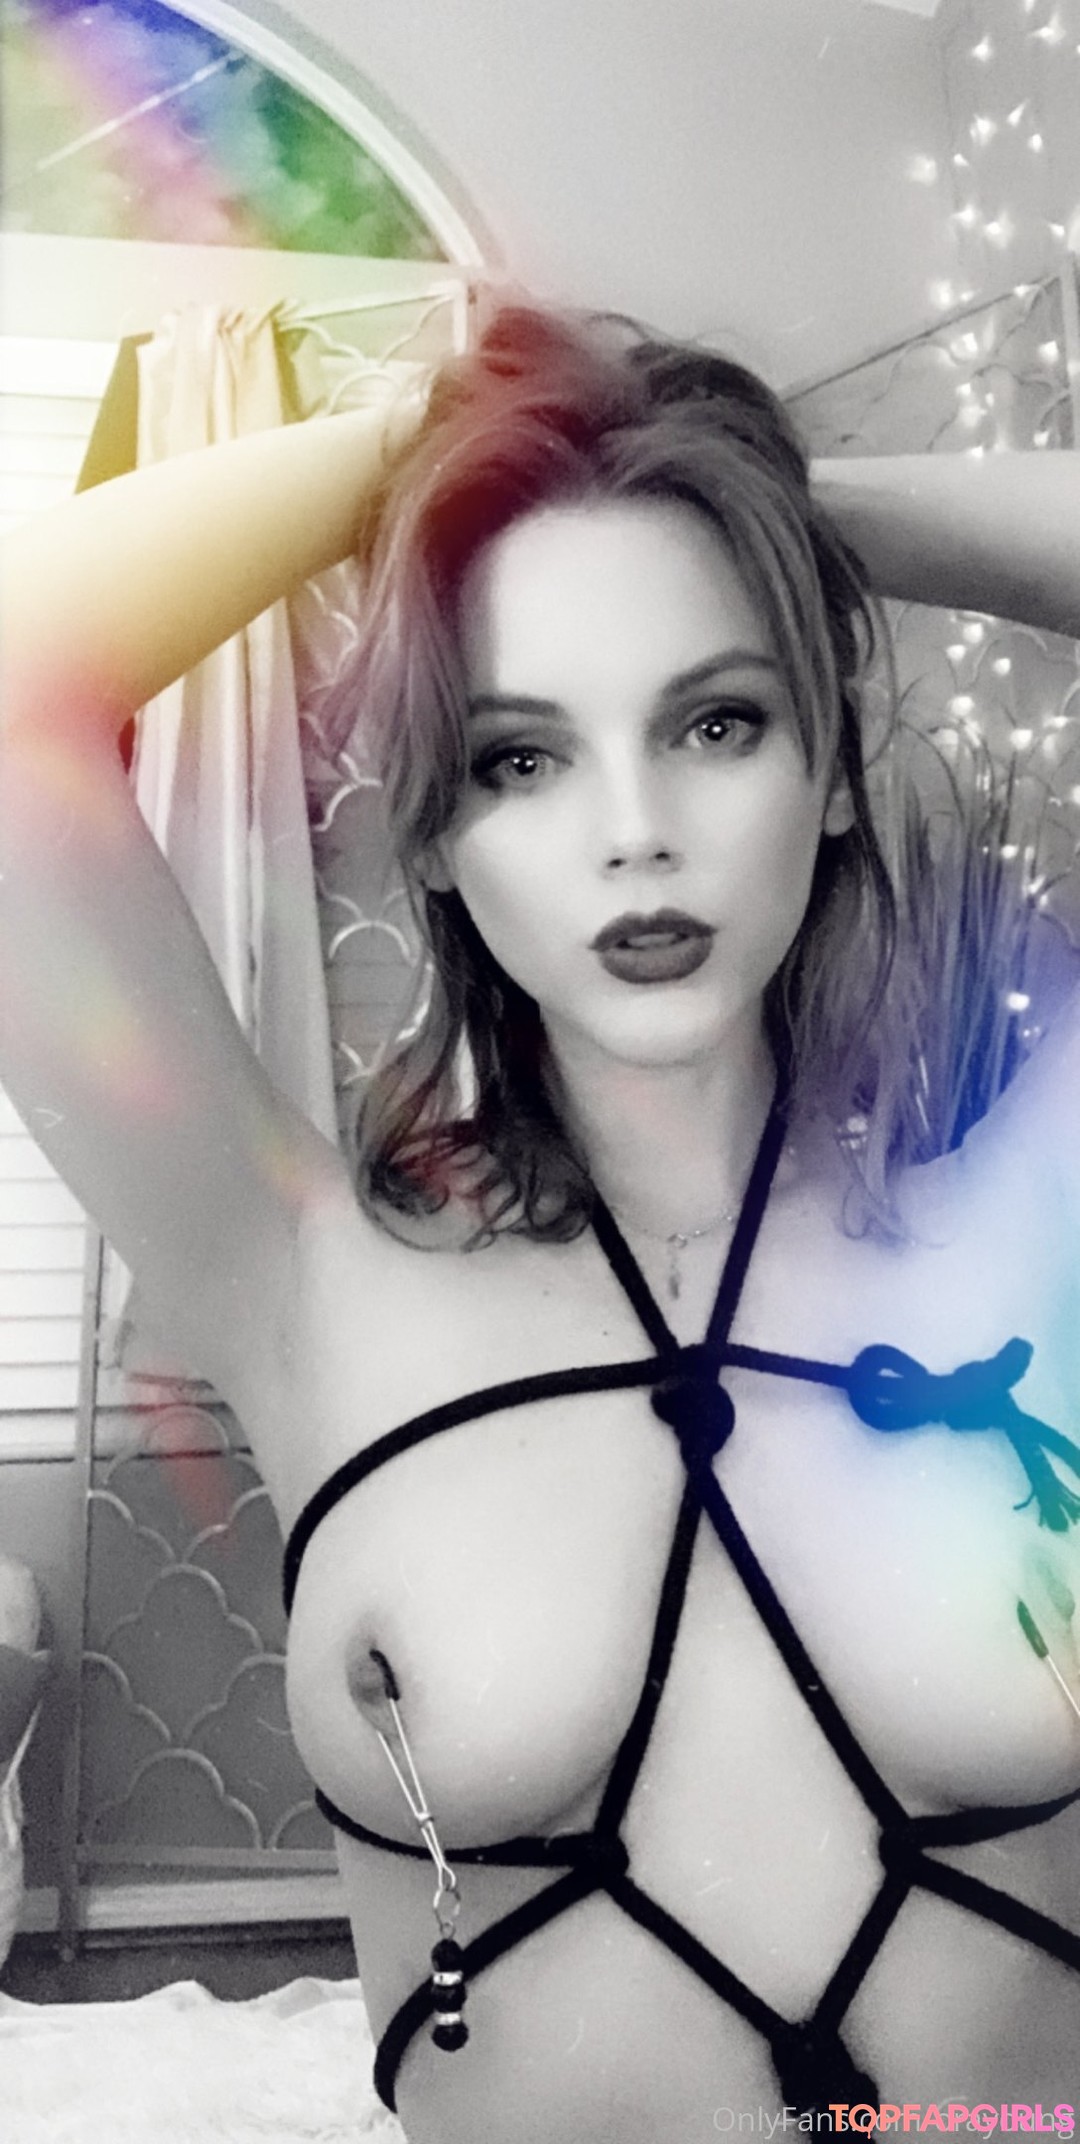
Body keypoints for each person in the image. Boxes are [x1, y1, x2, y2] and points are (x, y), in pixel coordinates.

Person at [2, 305, 1079, 2144]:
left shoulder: (1024, 1244)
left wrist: (790, 510)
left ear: (829, 770)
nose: (634, 831)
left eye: (719, 721)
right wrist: (435, 465)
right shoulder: (306, 1284)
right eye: (521, 757)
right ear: (431, 830)